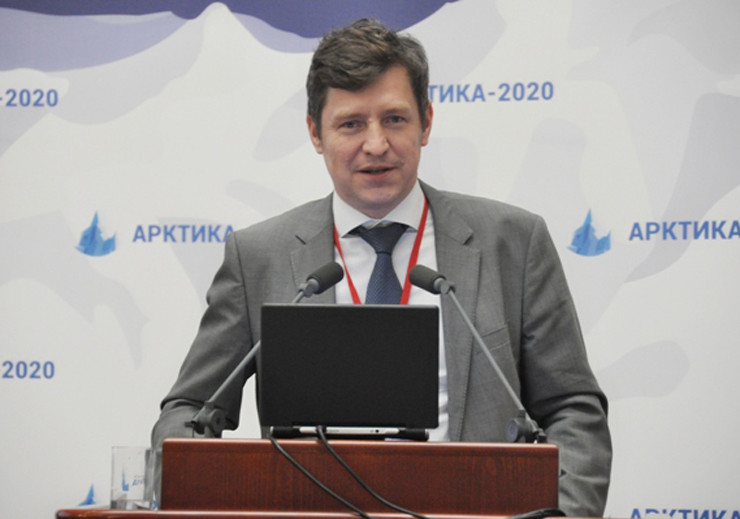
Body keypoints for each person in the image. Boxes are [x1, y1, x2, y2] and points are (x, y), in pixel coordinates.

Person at [152, 18, 612, 517]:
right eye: (351, 124)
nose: (376, 144)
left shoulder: (513, 243)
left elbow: (573, 410)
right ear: (315, 133)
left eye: (394, 119)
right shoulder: (258, 256)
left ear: (426, 122)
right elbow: (188, 412)